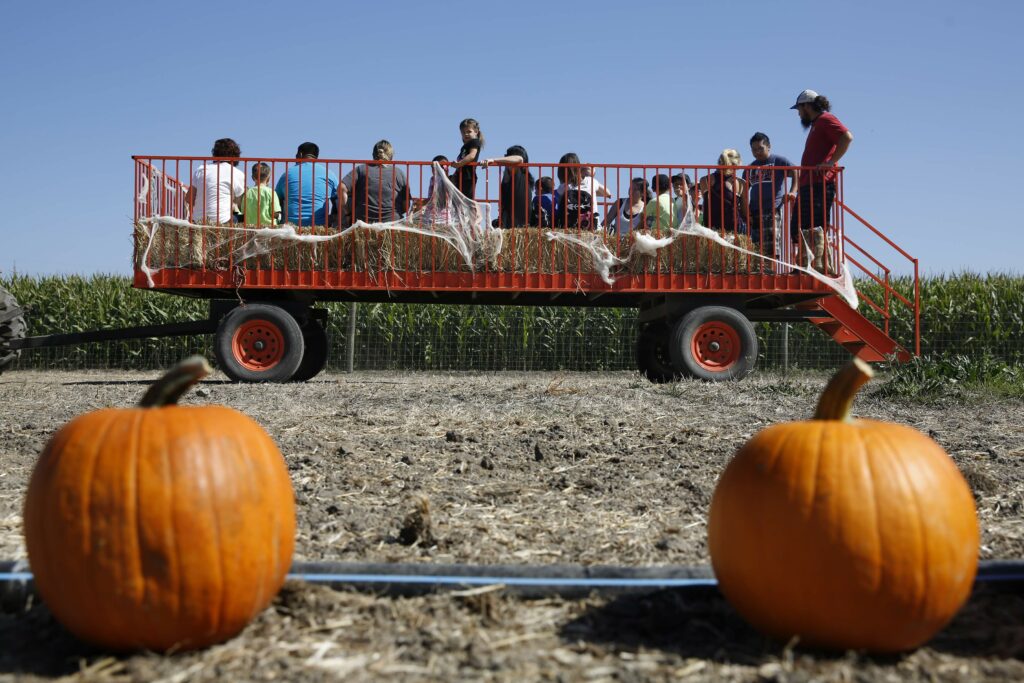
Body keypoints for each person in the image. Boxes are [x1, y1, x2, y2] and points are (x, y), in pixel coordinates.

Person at [791, 89, 854, 271]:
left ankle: (818, 266)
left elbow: (846, 137)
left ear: (807, 106)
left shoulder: (826, 119)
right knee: (801, 226)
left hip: (819, 184)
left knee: (815, 226)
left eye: (799, 109)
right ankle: (806, 264)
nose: (798, 113)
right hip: (809, 183)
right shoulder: (816, 124)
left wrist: (830, 163)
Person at [744, 132, 797, 267]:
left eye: (760, 148)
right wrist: (745, 210)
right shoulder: (750, 168)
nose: (757, 152)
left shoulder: (778, 161)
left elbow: (796, 171)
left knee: (771, 243)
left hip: (772, 208)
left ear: (769, 147)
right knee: (755, 244)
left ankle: (770, 272)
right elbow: (744, 189)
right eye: (754, 150)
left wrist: (792, 191)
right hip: (754, 209)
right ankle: (758, 273)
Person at [339, 140, 409, 225]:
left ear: (373, 154)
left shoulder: (361, 169)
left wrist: (347, 213)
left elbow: (341, 188)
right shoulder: (399, 173)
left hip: (363, 223)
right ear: (391, 156)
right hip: (392, 224)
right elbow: (406, 206)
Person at [276, 142, 338, 227]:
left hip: (291, 228)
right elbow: (338, 199)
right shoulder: (329, 173)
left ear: (300, 155)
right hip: (320, 227)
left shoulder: (287, 174)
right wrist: (333, 218)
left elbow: (276, 199)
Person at [187, 138, 245, 224]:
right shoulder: (237, 173)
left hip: (198, 221)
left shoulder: (201, 169)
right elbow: (239, 204)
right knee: (241, 217)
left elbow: (189, 199)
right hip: (222, 222)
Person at [482, 145, 534, 228]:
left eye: (507, 157)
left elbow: (519, 159)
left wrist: (493, 160)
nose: (505, 160)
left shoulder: (520, 173)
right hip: (509, 223)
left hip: (519, 225)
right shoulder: (509, 176)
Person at [698, 149, 748, 232]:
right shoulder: (741, 183)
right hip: (733, 229)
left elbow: (708, 203)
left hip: (711, 229)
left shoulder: (704, 180)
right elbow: (744, 211)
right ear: (735, 165)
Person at [554, 153, 606, 229]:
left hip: (570, 228)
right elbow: (608, 193)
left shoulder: (562, 187)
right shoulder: (591, 181)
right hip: (592, 227)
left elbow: (559, 207)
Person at [449, 118, 484, 199]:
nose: (466, 134)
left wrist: (459, 164)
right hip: (461, 176)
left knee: (466, 201)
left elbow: (472, 155)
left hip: (468, 177)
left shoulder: (474, 142)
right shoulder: (465, 146)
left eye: (469, 131)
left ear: (476, 131)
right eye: (463, 132)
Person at [241, 162, 282, 227]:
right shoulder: (271, 192)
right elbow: (275, 213)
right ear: (268, 178)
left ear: (252, 177)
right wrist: (280, 217)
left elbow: (243, 212)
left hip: (250, 228)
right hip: (269, 229)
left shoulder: (247, 193)